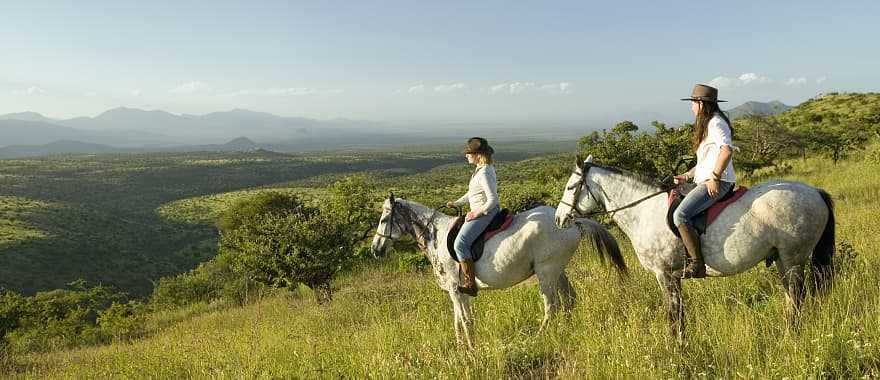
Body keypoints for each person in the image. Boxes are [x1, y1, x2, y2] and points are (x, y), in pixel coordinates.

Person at [673, 84, 736, 278]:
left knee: (680, 216)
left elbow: (727, 149)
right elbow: (705, 162)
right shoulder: (708, 123)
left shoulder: (715, 123)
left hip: (719, 181)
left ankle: (697, 265)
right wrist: (686, 176)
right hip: (706, 179)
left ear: (701, 103)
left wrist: (715, 178)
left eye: (693, 102)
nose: (691, 107)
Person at [446, 137, 500, 296]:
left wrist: (475, 213)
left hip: (486, 212)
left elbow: (493, 199)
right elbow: (472, 193)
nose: (466, 155)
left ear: (478, 154)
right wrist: (457, 203)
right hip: (482, 210)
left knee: (460, 244)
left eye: (469, 153)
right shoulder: (481, 169)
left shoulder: (484, 173)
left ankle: (470, 283)